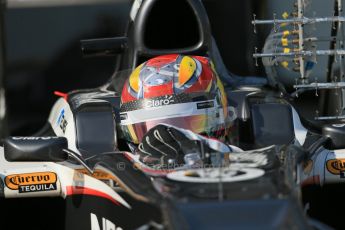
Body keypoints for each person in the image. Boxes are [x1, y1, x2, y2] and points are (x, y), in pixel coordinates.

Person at [119, 54, 238, 168]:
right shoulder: (116, 170)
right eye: (151, 130)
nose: (166, 141)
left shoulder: (239, 161)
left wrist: (214, 153)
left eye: (182, 123)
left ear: (221, 115)